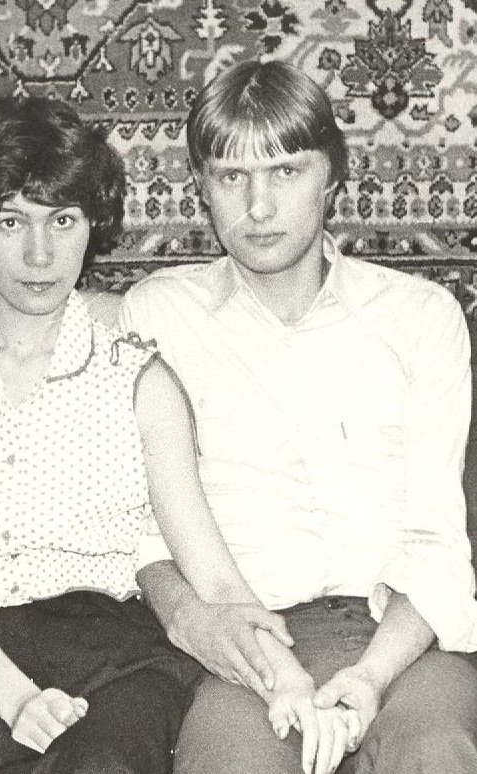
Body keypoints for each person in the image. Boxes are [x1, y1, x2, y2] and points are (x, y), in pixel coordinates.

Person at [0, 94, 282, 774]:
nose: (39, 253)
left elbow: (206, 563)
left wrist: (280, 669)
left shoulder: (139, 377)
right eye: (11, 220)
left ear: (92, 224)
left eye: (62, 220)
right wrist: (16, 699)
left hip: (118, 653)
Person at [120, 58, 477, 774]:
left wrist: (368, 678)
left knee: (435, 753)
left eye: (285, 171)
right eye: (231, 176)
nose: (258, 207)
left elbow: (437, 537)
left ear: (331, 176)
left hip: (401, 639)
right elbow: (141, 527)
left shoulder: (419, 316)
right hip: (247, 645)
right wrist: (211, 631)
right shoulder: (157, 316)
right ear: (199, 187)